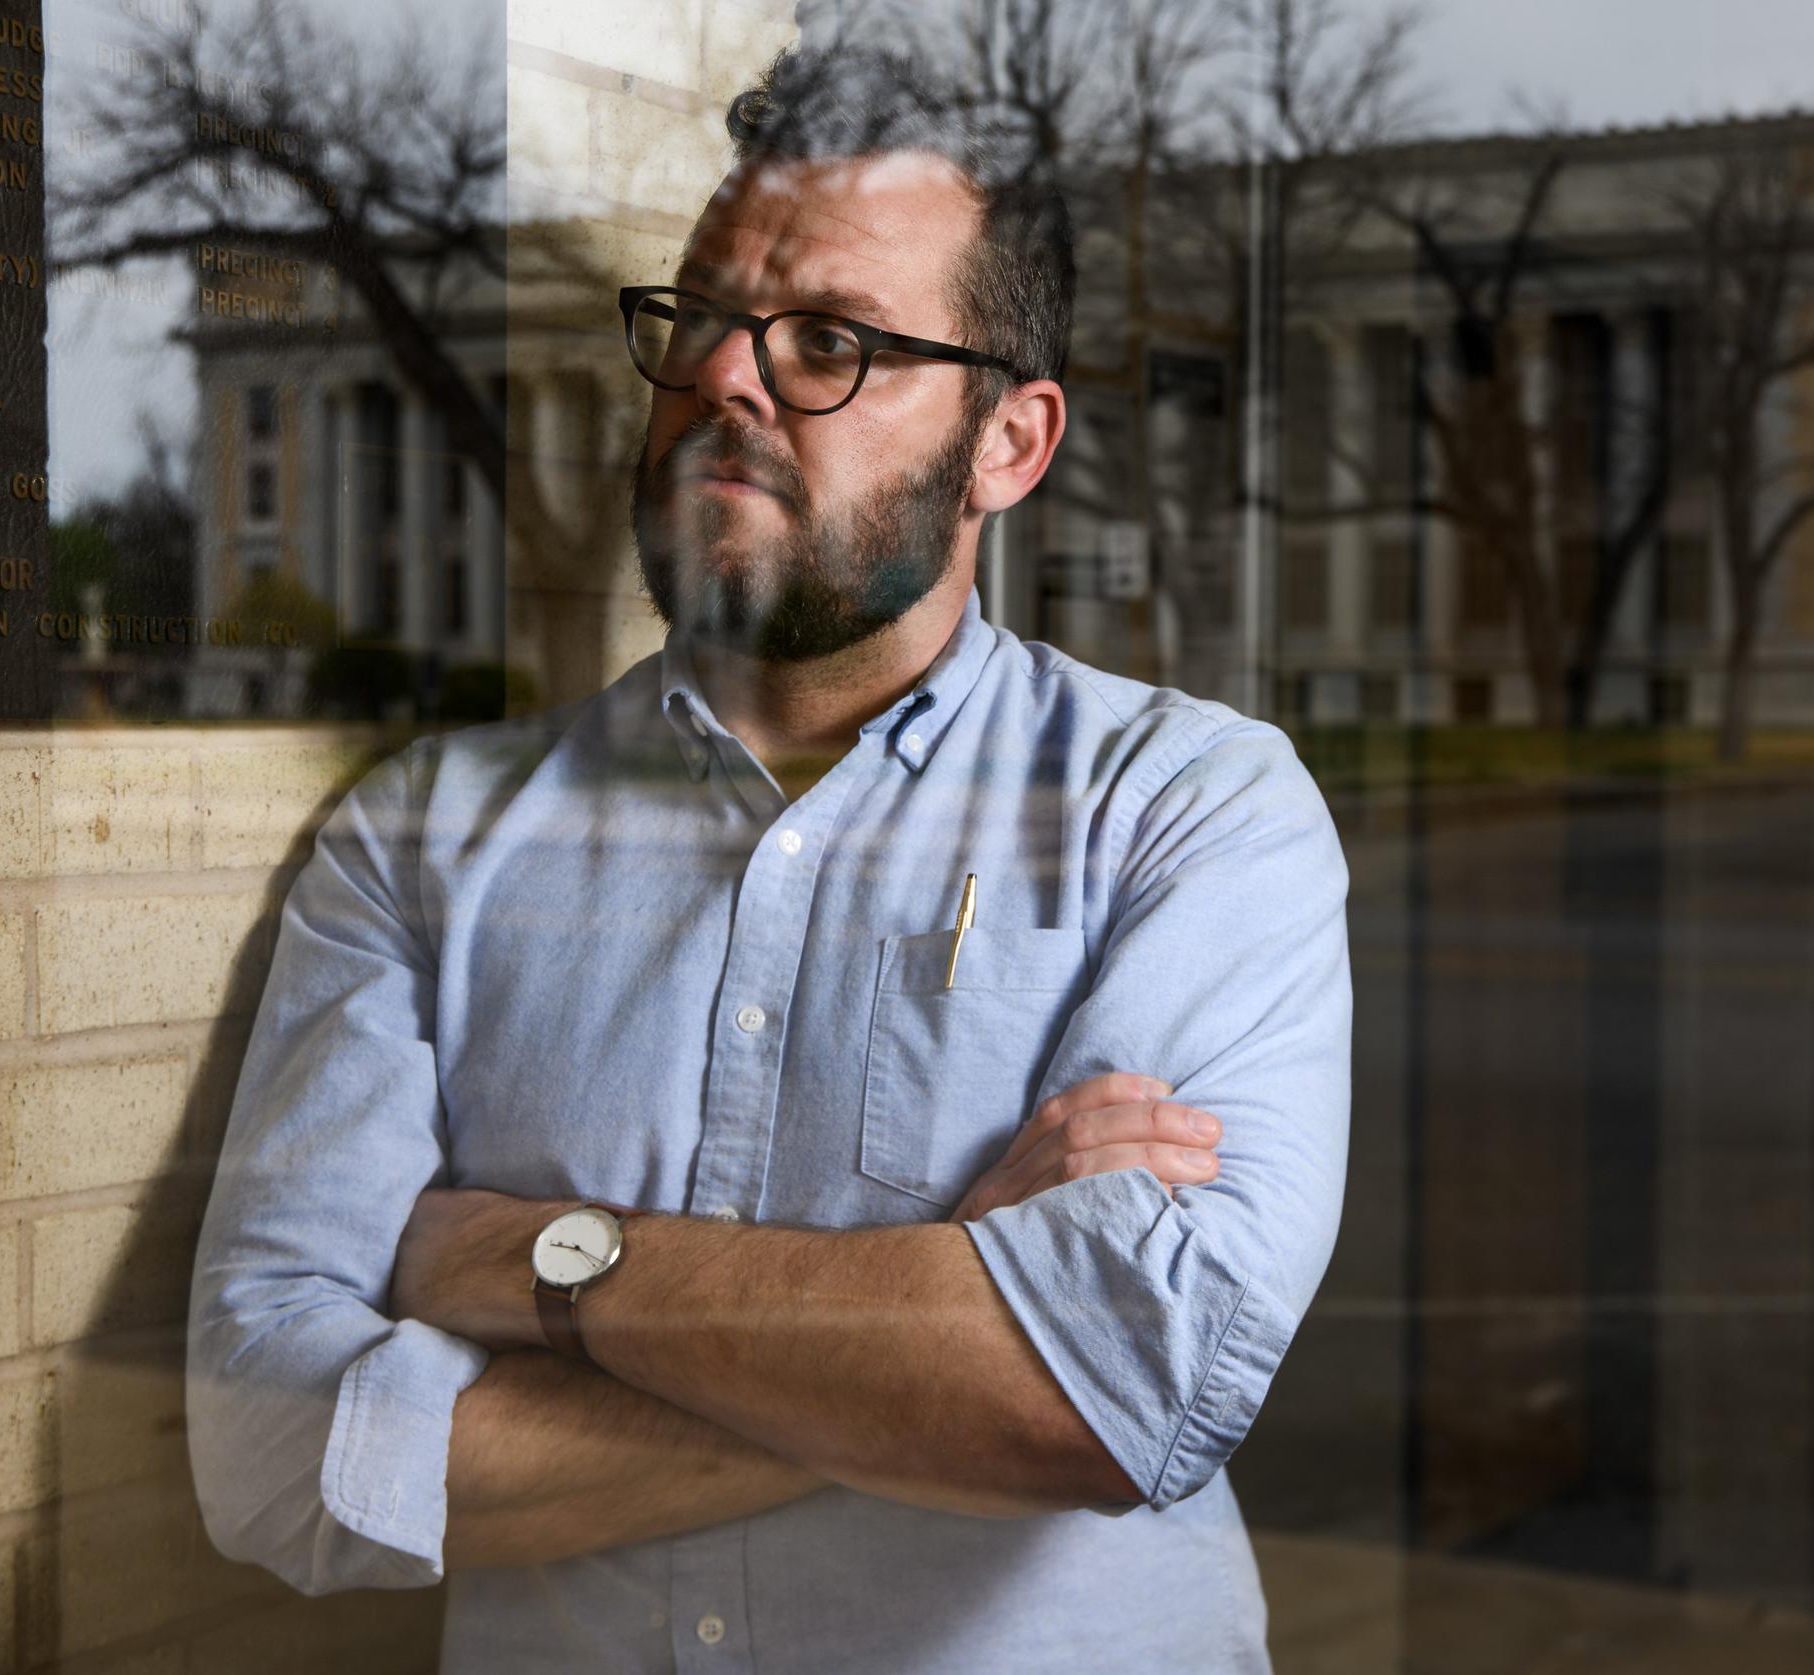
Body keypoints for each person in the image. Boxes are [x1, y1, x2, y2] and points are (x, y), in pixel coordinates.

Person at [186, 46, 1351, 1673]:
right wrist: (919, 1339)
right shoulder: (424, 840)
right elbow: (272, 1454)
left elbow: (1112, 1398)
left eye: (828, 343)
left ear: (1008, 445)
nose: (728, 378)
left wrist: (527, 1263)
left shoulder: (1188, 810)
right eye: (703, 319)